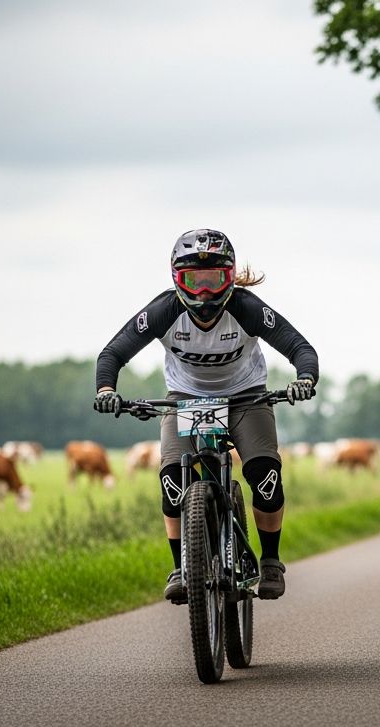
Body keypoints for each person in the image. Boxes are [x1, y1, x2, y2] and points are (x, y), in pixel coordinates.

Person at [92, 228, 318, 602]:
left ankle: (271, 561)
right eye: (193, 281)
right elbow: (112, 354)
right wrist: (106, 390)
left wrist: (305, 379)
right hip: (185, 398)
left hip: (245, 397)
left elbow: (299, 347)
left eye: (214, 280)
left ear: (229, 278)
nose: (204, 292)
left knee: (265, 474)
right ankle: (181, 567)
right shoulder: (164, 311)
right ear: (176, 280)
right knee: (172, 478)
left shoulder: (247, 309)